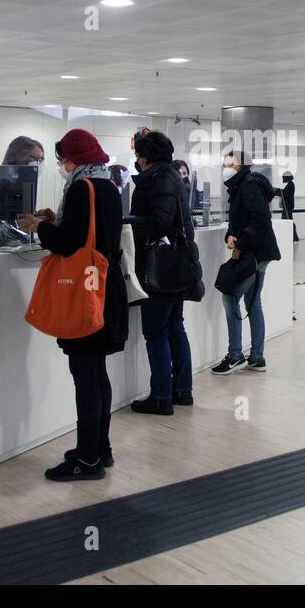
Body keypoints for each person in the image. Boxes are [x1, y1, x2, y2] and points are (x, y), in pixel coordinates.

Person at [21, 129, 129, 480]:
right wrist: (55, 222)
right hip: (104, 285)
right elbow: (90, 235)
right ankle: (100, 448)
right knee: (96, 372)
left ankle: (87, 460)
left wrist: (40, 227)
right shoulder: (108, 185)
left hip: (84, 289)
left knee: (85, 375)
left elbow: (68, 244)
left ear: (75, 158)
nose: (61, 166)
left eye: (62, 159)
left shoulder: (82, 188)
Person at [126, 131, 197, 415]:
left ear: (145, 157)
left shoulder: (157, 179)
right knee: (174, 327)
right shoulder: (173, 177)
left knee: (156, 332)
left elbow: (159, 222)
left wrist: (126, 222)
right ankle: (182, 390)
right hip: (177, 265)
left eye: (139, 156)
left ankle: (161, 396)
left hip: (160, 268)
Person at [211, 150, 280, 374]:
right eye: (224, 163)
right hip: (257, 251)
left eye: (230, 163)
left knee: (230, 297)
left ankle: (235, 356)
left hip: (256, 253)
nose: (225, 166)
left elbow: (260, 219)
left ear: (241, 165)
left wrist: (240, 244)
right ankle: (257, 357)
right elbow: (239, 220)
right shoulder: (239, 186)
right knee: (253, 302)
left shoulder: (248, 184)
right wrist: (230, 234)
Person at [279, 169, 299, 242]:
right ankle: (294, 238)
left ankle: (293, 238)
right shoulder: (290, 184)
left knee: (288, 222)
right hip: (288, 206)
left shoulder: (289, 185)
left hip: (288, 206)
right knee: (289, 222)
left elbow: (283, 193)